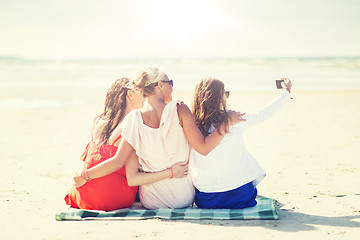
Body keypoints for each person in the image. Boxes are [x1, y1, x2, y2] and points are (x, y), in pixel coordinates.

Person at [73, 67, 244, 209]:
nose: (172, 87)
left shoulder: (133, 119)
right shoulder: (180, 109)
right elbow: (204, 148)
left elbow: (129, 176)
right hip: (182, 198)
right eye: (170, 83)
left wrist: (85, 175)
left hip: (151, 201)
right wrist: (225, 124)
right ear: (160, 86)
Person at [189, 77, 292, 209]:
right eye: (225, 94)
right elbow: (264, 113)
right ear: (219, 98)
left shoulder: (191, 127)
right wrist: (286, 92)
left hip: (207, 199)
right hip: (240, 197)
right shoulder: (234, 120)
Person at [64, 77, 145, 211]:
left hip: (83, 195)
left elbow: (95, 159)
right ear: (130, 94)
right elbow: (117, 162)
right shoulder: (129, 126)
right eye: (141, 91)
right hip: (112, 197)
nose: (145, 96)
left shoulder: (100, 122)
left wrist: (84, 176)